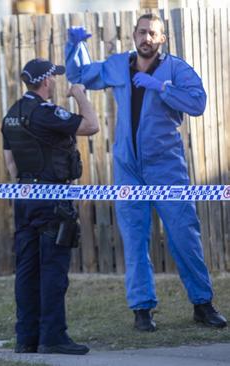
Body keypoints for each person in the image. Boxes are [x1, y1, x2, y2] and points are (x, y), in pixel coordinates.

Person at [65, 13, 227, 331]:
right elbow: (80, 74)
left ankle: (203, 304)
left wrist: (162, 87)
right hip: (128, 168)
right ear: (134, 35)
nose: (146, 38)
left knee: (184, 236)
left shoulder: (175, 68)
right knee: (135, 239)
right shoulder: (118, 65)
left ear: (162, 39)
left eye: (153, 34)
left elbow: (198, 103)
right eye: (142, 32)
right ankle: (141, 309)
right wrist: (74, 47)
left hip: (166, 167)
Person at [1, 58, 99, 355]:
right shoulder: (45, 113)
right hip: (52, 199)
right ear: (45, 81)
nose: (55, 82)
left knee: (27, 270)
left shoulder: (12, 113)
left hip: (25, 198)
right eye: (53, 78)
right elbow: (91, 125)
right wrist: (80, 94)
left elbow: (10, 163)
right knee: (53, 268)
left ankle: (26, 338)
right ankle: (53, 337)